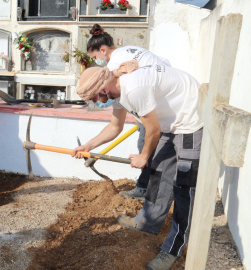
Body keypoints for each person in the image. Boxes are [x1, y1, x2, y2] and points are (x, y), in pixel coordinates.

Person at [73, 62, 203, 270]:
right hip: (169, 122)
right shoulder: (117, 90)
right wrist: (88, 145)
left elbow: (153, 130)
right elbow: (115, 127)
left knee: (184, 188)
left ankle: (173, 249)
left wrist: (144, 156)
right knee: (159, 172)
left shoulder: (133, 89)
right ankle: (149, 222)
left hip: (190, 120)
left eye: (95, 98)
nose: (96, 103)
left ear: (103, 89)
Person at [87, 24, 171, 201]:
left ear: (102, 50)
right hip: (165, 96)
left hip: (161, 106)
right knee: (148, 147)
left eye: (95, 56)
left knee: (146, 149)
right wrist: (88, 146)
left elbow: (115, 124)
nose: (98, 61)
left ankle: (147, 193)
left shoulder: (114, 65)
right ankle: (147, 190)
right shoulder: (127, 51)